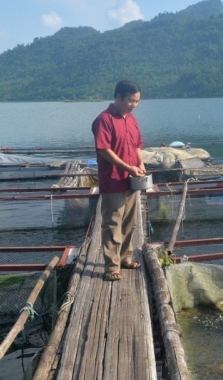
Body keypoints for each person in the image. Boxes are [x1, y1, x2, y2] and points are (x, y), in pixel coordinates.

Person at [92, 79, 146, 281]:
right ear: (118, 97)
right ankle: (111, 266)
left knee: (130, 223)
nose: (134, 105)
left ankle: (125, 258)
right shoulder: (104, 120)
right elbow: (104, 150)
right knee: (112, 224)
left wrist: (140, 164)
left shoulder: (131, 119)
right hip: (114, 180)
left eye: (137, 101)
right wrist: (127, 167)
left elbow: (137, 144)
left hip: (131, 180)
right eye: (131, 100)